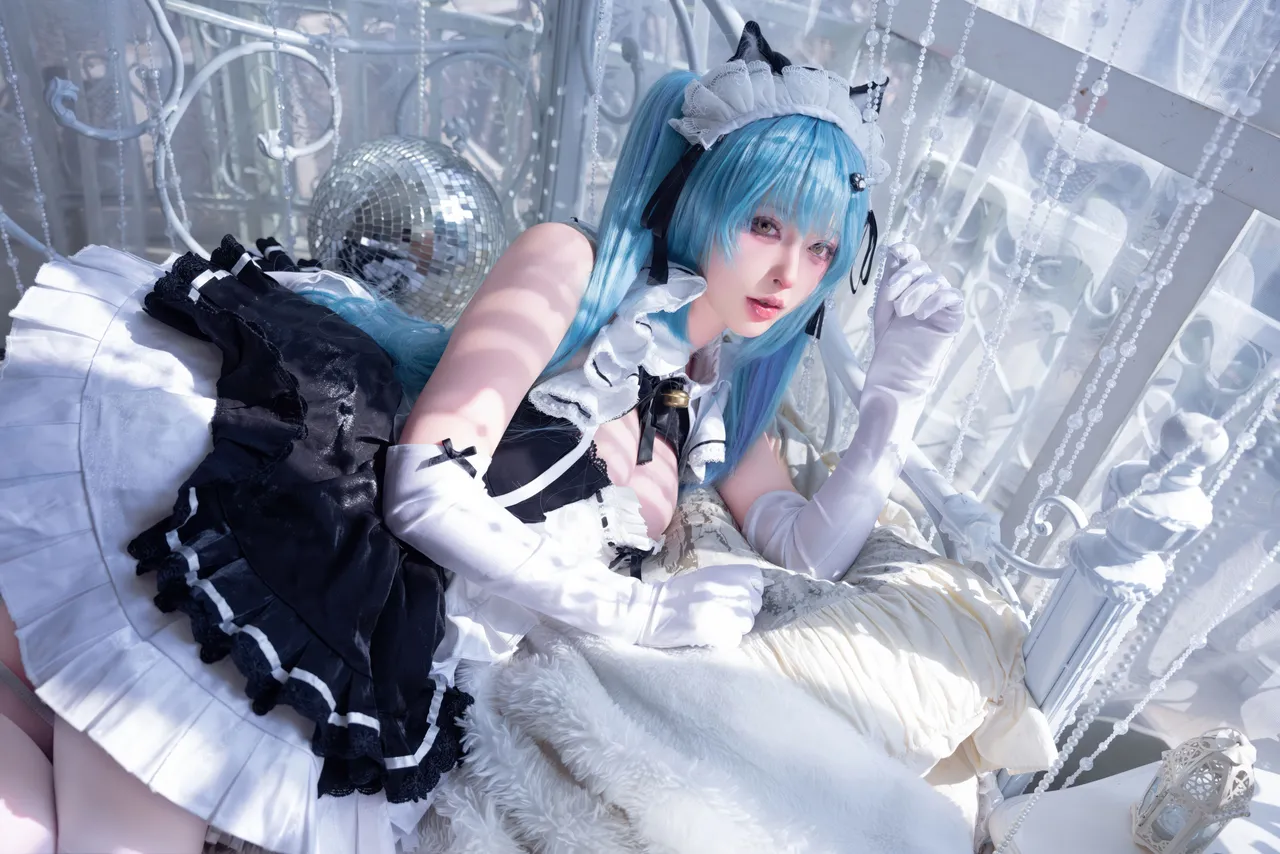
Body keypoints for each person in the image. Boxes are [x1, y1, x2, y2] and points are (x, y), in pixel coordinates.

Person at [0, 21, 963, 854]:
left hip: (392, 652)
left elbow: (808, 550)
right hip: (305, 556)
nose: (791, 273)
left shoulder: (706, 396)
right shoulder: (571, 265)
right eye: (766, 224)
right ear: (705, 198)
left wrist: (897, 395)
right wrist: (634, 613)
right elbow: (422, 487)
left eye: (822, 248)